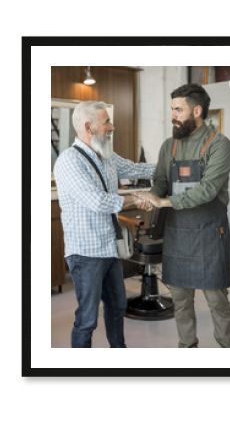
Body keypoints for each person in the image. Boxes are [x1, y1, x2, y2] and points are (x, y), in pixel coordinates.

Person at [135, 83, 230, 348]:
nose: (173, 115)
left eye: (178, 109)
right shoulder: (169, 146)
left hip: (209, 233)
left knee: (216, 300)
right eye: (172, 109)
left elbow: (208, 190)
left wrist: (163, 201)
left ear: (197, 110)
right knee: (180, 299)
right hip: (178, 233)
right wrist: (151, 199)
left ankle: (228, 352)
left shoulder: (220, 145)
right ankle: (187, 349)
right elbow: (159, 181)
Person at [53, 101, 155, 348]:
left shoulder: (106, 155)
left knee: (117, 306)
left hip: (109, 248)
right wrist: (135, 199)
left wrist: (171, 166)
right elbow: (97, 201)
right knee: (87, 319)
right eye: (106, 122)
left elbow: (135, 167)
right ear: (89, 126)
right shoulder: (69, 162)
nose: (112, 126)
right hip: (86, 253)